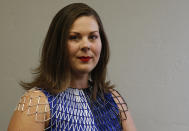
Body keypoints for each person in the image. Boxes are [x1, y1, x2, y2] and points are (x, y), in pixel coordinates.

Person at [8, 3, 136, 131]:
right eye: (74, 37)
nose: (86, 45)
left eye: (92, 37)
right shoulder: (37, 103)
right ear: (58, 45)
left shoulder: (113, 100)